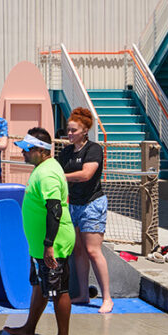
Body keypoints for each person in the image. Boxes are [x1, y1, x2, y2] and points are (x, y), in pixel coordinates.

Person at [0, 129, 75, 335]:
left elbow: (55, 210)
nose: (22, 152)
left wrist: (49, 244)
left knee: (59, 289)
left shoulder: (48, 173)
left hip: (54, 243)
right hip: (42, 245)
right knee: (39, 284)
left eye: (27, 149)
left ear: (42, 151)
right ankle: (29, 328)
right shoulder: (42, 169)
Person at [59, 107, 111, 313]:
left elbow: (87, 174)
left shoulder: (94, 149)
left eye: (73, 131)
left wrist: (63, 177)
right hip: (74, 204)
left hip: (92, 203)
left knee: (92, 250)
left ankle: (107, 297)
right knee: (78, 250)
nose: (69, 134)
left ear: (85, 131)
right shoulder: (65, 152)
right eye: (68, 130)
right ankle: (82, 293)